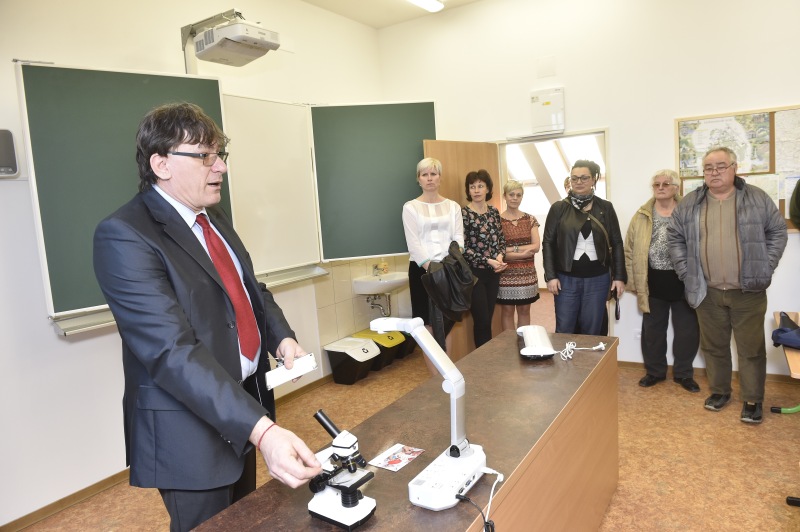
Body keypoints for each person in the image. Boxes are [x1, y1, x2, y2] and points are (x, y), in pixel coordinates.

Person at [93, 102, 322, 531]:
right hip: (188, 431)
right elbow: (171, 352)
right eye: (204, 156)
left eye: (220, 155)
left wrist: (281, 336)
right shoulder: (124, 235)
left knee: (244, 521)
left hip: (243, 407)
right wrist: (264, 432)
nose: (221, 167)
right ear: (161, 164)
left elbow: (250, 289)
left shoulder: (212, 216)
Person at [668, 146, 787, 424]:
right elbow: (674, 237)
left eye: (721, 166)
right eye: (708, 168)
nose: (714, 172)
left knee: (751, 350)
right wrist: (686, 272)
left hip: (748, 292)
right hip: (706, 292)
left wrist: (765, 265)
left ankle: (753, 399)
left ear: (735, 168)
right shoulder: (690, 203)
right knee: (713, 347)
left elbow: (778, 231)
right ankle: (720, 391)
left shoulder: (756, 198)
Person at [625, 169, 700, 392]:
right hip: (653, 281)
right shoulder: (642, 214)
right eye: (656, 184)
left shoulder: (690, 211)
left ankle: (684, 374)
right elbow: (629, 249)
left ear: (676, 187)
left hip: (684, 281)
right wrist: (633, 281)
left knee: (687, 331)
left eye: (666, 184)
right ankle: (655, 372)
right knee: (653, 331)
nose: (660, 188)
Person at [542, 160, 626, 335]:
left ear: (594, 179)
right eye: (574, 178)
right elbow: (548, 243)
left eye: (584, 178)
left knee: (593, 329)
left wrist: (619, 276)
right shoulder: (558, 208)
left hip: (598, 279)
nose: (578, 182)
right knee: (565, 328)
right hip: (566, 279)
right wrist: (550, 276)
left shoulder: (605, 207)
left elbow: (617, 243)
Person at [402, 157, 464, 372]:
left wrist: (449, 264)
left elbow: (459, 238)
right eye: (424, 174)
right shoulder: (410, 207)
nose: (429, 178)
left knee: (448, 321)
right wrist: (432, 268)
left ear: (440, 177)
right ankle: (435, 379)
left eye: (433, 174)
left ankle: (447, 374)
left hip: (449, 270)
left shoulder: (453, 206)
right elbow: (414, 244)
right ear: (418, 179)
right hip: (422, 272)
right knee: (427, 324)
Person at [462, 169, 507, 348]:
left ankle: (485, 356)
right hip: (474, 274)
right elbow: (463, 248)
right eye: (472, 187)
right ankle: (482, 359)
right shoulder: (464, 214)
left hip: (494, 273)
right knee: (481, 320)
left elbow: (501, 239)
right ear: (468, 190)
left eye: (480, 186)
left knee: (488, 318)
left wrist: (500, 256)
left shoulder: (494, 211)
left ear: (487, 189)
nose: (476, 190)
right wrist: (487, 260)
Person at [497, 180, 541, 330]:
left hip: (527, 274)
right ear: (504, 196)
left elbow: (536, 247)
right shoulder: (497, 221)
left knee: (524, 310)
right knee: (507, 311)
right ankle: (509, 343)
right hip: (506, 274)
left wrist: (510, 250)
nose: (515, 198)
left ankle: (523, 341)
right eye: (511, 195)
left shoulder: (530, 219)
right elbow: (499, 252)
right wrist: (522, 252)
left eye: (518, 195)